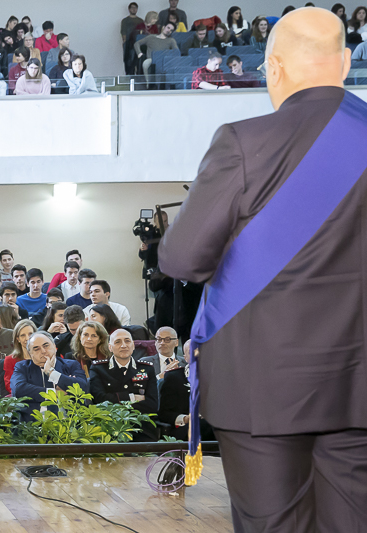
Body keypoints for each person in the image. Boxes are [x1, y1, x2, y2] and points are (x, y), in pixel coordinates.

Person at [159, 8, 367, 529]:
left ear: (272, 66)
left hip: (262, 385)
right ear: (344, 62)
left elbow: (182, 259)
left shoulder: (243, 142)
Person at [89, 329, 157, 440]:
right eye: (118, 342)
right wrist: (132, 397)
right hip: (110, 428)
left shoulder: (146, 369)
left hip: (141, 428)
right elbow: (99, 400)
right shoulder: (98, 369)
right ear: (110, 347)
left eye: (127, 341)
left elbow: (152, 405)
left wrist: (115, 399)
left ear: (133, 345)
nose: (123, 345)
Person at [10, 331, 87, 421]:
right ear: (30, 354)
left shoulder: (71, 365)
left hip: (68, 423)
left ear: (54, 347)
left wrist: (52, 373)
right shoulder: (22, 367)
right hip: (34, 427)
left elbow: (82, 387)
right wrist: (53, 393)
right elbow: (18, 389)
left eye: (46, 345)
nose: (43, 351)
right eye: (36, 349)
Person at [159, 340, 215, 441]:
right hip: (187, 428)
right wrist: (184, 419)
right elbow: (164, 414)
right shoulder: (174, 377)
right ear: (186, 358)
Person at [3, 319, 36, 394]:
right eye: (22, 335)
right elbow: (10, 385)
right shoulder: (10, 360)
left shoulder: (43, 356)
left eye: (30, 334)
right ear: (18, 339)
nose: (27, 338)